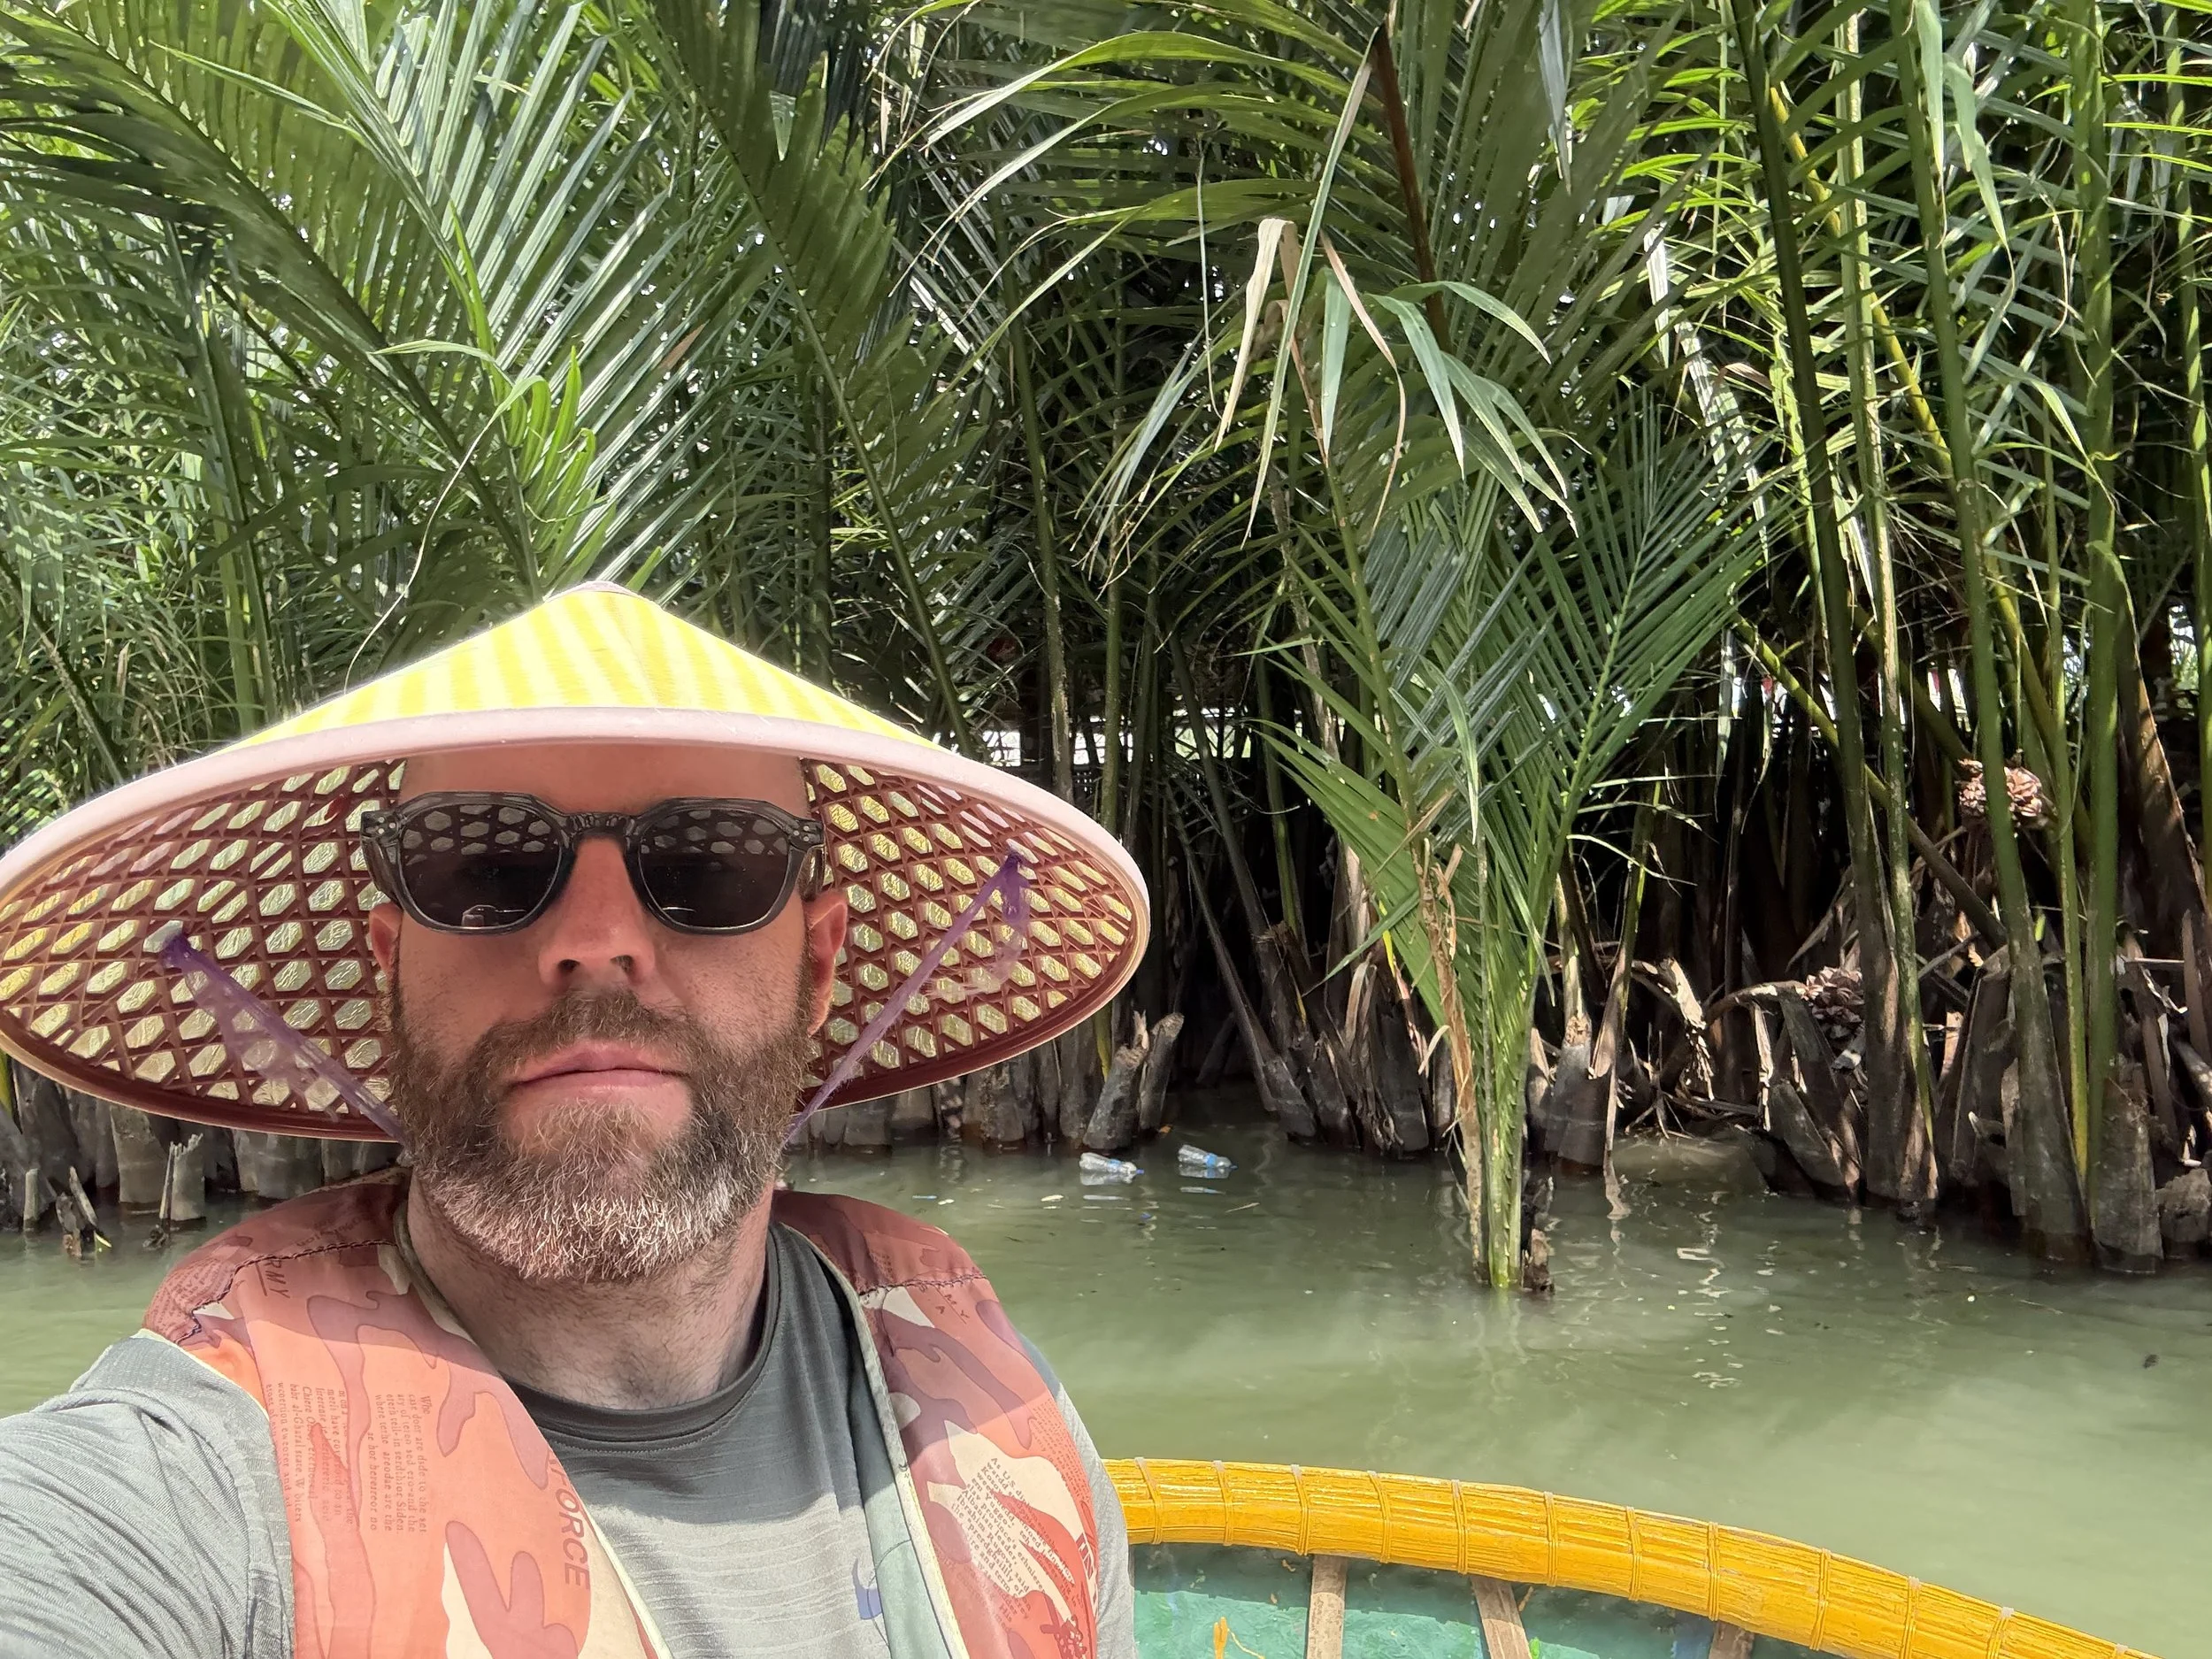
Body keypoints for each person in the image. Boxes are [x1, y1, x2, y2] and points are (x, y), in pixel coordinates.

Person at [0, 585, 1149, 1659]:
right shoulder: (184, 1485)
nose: (595, 939)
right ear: (388, 966)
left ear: (822, 967)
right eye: (486, 861)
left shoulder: (1008, 1422)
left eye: (709, 865)